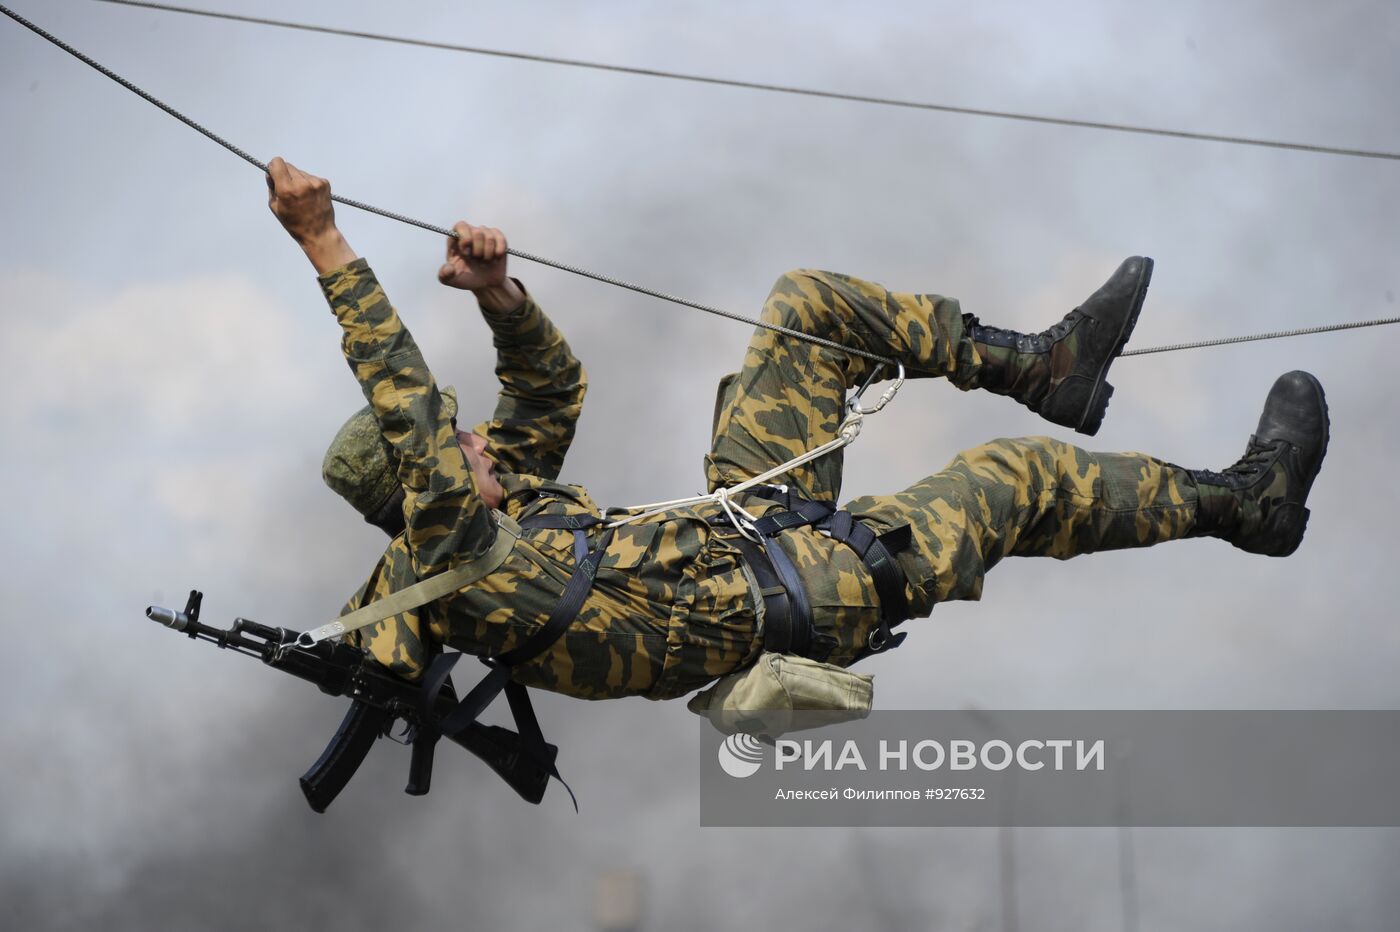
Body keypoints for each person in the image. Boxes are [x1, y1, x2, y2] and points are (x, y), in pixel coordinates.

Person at [266, 156, 1330, 706]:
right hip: (800, 590)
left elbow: (548, 392)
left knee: (805, 306)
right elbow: (405, 400)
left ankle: (1036, 364)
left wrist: (497, 293)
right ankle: (1248, 504)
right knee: (1014, 480)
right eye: (461, 448)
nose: (483, 443)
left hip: (752, 528)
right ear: (421, 490)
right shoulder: (458, 558)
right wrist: (322, 239)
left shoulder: (507, 518)